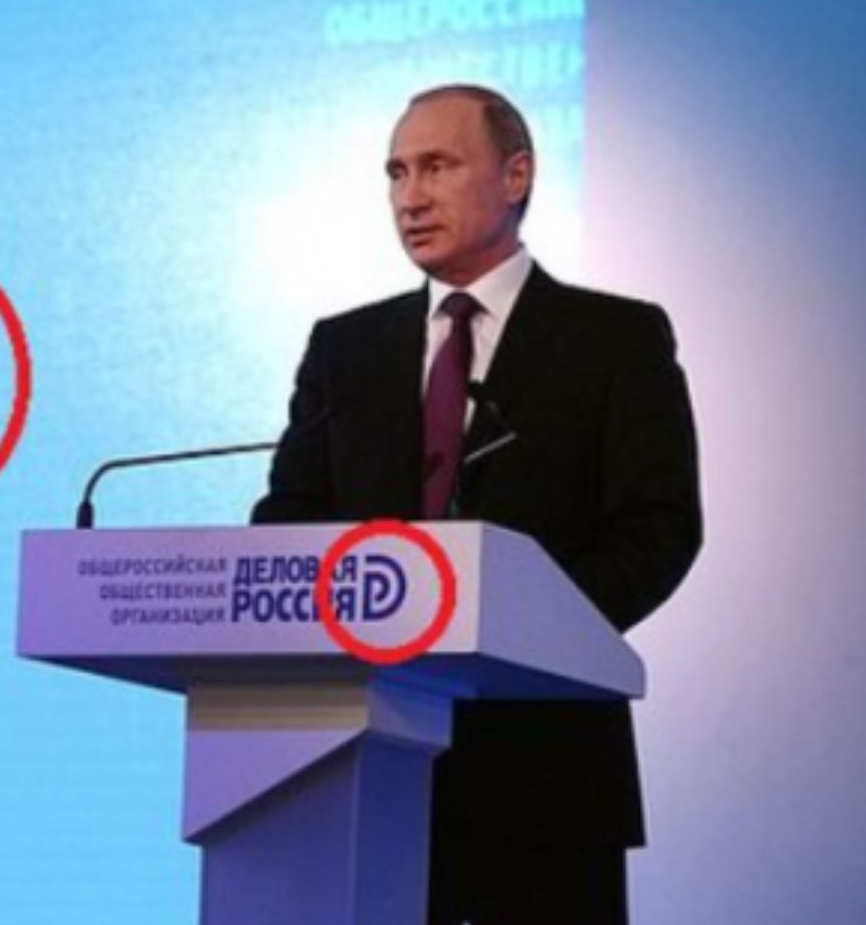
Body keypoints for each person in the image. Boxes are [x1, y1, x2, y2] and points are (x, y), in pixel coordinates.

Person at [252, 84, 702, 923]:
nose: (410, 197)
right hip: (358, 764)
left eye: (437, 166)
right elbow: (286, 523)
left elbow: (659, 527)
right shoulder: (345, 348)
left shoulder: (614, 339)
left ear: (516, 176)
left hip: (545, 771)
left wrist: (521, 629)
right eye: (395, 173)